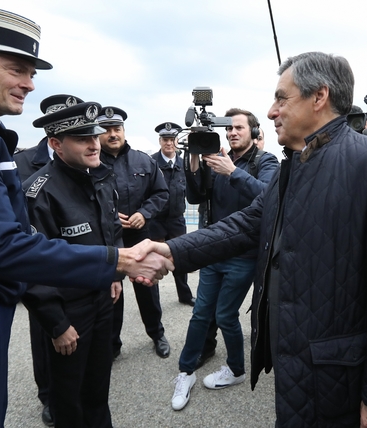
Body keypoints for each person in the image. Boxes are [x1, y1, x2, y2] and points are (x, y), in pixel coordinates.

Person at [0, 6, 171, 427]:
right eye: (17, 69)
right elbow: (4, 245)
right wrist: (118, 262)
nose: (29, 83)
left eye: (32, 72)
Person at [135, 51, 367, 427]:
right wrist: (171, 251)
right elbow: (247, 224)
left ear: (319, 97)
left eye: (281, 98)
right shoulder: (297, 163)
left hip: (338, 375)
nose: (271, 112)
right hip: (297, 364)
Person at [170, 108, 279, 411]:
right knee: (201, 313)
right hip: (212, 251)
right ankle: (186, 371)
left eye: (239, 128)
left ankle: (236, 370)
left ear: (254, 132)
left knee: (226, 315)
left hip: (243, 255)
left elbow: (270, 198)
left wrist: (233, 171)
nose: (232, 133)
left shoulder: (265, 161)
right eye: (229, 129)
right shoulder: (215, 158)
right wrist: (193, 160)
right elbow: (193, 198)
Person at [22, 97, 121, 428]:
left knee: (98, 389)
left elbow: (110, 231)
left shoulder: (99, 179)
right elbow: (31, 266)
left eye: (94, 135)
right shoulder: (39, 193)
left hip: (102, 300)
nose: (95, 145)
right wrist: (56, 323)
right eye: (83, 138)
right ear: (56, 144)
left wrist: (114, 274)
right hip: (67, 310)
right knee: (68, 398)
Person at [15, 94, 83, 426]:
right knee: (45, 335)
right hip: (43, 271)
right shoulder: (23, 163)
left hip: (80, 275)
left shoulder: (84, 159)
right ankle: (47, 395)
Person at [97, 107, 171, 358]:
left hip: (140, 237)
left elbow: (161, 193)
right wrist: (107, 214)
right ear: (98, 134)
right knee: (112, 290)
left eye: (116, 129)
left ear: (124, 131)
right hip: (107, 239)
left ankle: (157, 333)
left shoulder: (144, 161)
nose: (112, 134)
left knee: (147, 287)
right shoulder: (89, 161)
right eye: (106, 130)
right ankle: (112, 344)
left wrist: (145, 213)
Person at [149, 122, 196, 306]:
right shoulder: (151, 163)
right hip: (156, 221)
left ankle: (184, 295)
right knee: (154, 262)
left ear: (177, 141)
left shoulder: (184, 162)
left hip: (177, 219)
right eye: (165, 140)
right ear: (160, 141)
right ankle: (153, 302)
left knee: (180, 258)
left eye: (172, 139)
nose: (169, 143)